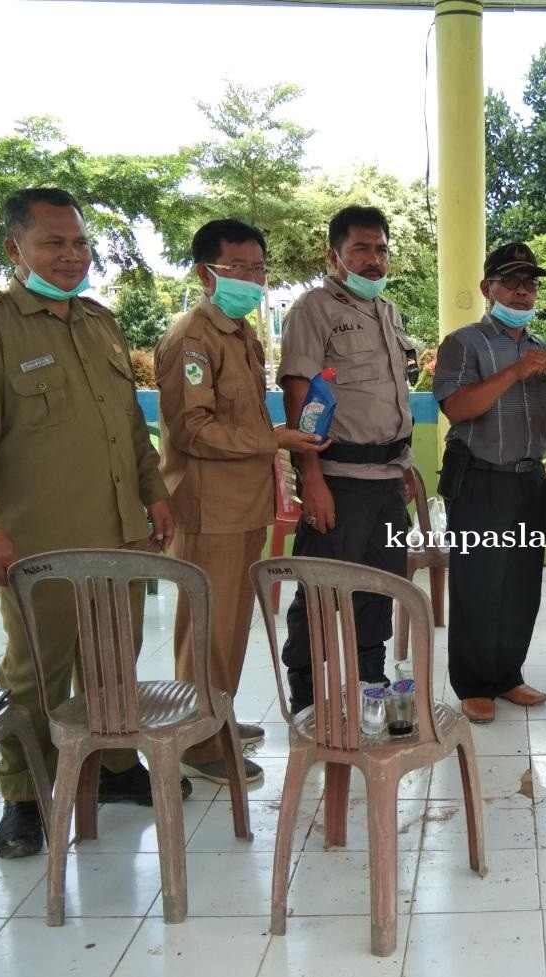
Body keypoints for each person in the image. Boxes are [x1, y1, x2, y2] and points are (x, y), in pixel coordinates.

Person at [0, 187, 180, 859]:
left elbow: (128, 424)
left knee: (115, 659)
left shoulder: (100, 323)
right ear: (16, 249)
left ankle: (114, 766)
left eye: (79, 242)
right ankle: (24, 793)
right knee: (36, 673)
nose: (72, 255)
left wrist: (154, 493)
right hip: (39, 540)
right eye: (54, 242)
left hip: (118, 531)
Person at [155, 218, 328, 783]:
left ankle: (215, 716)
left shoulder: (239, 333)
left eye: (259, 268)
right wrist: (273, 439)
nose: (252, 280)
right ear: (206, 273)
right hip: (210, 510)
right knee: (208, 628)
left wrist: (274, 436)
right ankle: (199, 743)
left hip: (244, 503)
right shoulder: (192, 338)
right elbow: (193, 430)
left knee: (230, 624)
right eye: (239, 268)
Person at [277, 205, 416, 712]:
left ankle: (368, 688)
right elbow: (299, 396)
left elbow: (391, 397)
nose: (373, 259)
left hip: (387, 478)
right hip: (338, 479)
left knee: (379, 588)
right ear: (334, 255)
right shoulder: (313, 310)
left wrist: (405, 467)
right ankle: (307, 698)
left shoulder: (388, 311)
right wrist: (311, 478)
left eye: (380, 249)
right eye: (361, 248)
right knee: (320, 591)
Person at [432, 243, 546, 723]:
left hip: (529, 479)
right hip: (480, 479)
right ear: (488, 288)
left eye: (530, 284)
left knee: (521, 585)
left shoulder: (541, 348)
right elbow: (458, 407)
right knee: (478, 585)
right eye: (512, 283)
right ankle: (473, 685)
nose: (523, 292)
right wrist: (514, 372)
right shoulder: (463, 342)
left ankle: (507, 675)